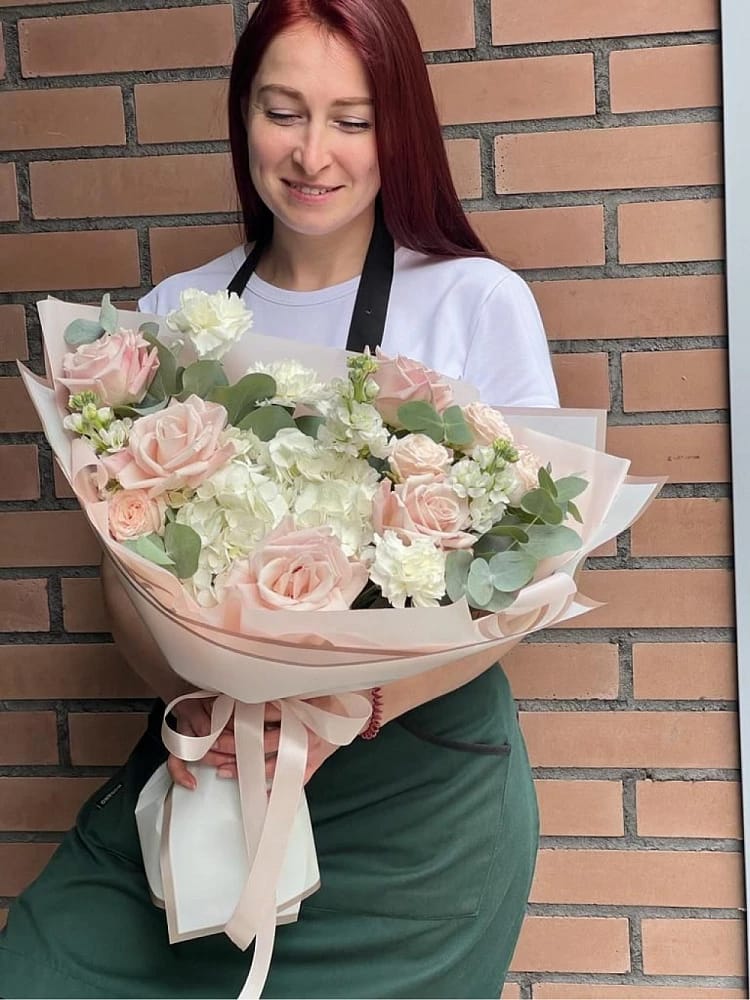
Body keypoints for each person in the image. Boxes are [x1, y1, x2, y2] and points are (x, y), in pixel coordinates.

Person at [0, 0, 559, 997]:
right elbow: (123, 573)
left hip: (415, 801)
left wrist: (355, 702)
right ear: (242, 115)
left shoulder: (476, 301)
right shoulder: (176, 316)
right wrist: (194, 696)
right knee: (39, 966)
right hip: (214, 769)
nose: (312, 153)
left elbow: (533, 576)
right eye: (283, 111)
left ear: (400, 127)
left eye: (353, 119)